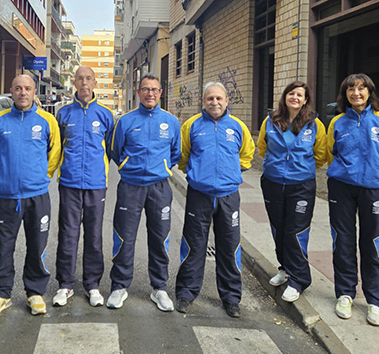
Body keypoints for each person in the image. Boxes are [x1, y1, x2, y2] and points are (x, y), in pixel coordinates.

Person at [0, 74, 61, 317]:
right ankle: (2, 294)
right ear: (11, 91)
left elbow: (54, 154)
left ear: (34, 91)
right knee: (3, 246)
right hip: (7, 196)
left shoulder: (48, 121)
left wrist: (40, 177)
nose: (23, 92)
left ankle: (35, 292)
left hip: (37, 195)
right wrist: (6, 176)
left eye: (27, 88)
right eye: (18, 88)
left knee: (37, 245)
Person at [176, 82, 255, 318]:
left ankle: (231, 298)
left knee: (229, 247)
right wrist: (197, 174)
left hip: (228, 196)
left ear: (227, 101)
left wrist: (229, 174)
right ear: (203, 101)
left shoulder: (238, 126)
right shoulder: (191, 126)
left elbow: (246, 155)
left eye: (219, 98)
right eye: (210, 98)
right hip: (199, 195)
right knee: (193, 246)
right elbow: (183, 156)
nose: (215, 103)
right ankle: (186, 293)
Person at [326, 73, 379, 326]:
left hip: (375, 189)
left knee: (373, 244)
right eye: (350, 89)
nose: (356, 93)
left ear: (369, 92)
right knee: (343, 240)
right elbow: (329, 151)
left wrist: (377, 175)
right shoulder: (336, 122)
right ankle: (345, 293)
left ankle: (375, 302)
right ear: (344, 94)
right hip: (341, 188)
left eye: (361, 88)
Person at [108, 74, 181, 311]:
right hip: (130, 186)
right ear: (138, 93)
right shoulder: (126, 120)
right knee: (124, 237)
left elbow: (176, 152)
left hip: (159, 188)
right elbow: (116, 151)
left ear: (161, 93)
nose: (150, 93)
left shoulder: (171, 121)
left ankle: (159, 288)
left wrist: (162, 167)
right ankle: (119, 286)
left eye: (155, 90)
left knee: (160, 238)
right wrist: (128, 166)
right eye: (145, 89)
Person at [256, 81, 327, 304]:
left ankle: (299, 280)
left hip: (301, 185)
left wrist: (300, 170)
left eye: (300, 95)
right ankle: (285, 269)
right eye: (291, 93)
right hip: (273, 182)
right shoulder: (270, 120)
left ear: (306, 100)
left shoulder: (315, 124)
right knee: (278, 228)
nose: (295, 97)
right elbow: (262, 147)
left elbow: (320, 154)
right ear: (285, 96)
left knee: (296, 231)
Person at [53, 66, 115, 307]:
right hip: (69, 183)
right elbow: (56, 146)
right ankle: (65, 285)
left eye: (89, 78)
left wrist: (99, 170)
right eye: (80, 78)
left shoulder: (106, 115)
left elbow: (111, 149)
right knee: (68, 235)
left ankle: (92, 284)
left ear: (95, 83)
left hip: (96, 184)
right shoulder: (63, 114)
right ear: (75, 82)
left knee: (94, 236)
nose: (85, 83)